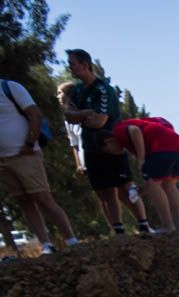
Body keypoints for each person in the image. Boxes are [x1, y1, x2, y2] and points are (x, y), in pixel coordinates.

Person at [0, 51, 77, 254]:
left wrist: (30, 143)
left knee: (43, 198)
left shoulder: (9, 87)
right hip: (2, 159)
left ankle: (71, 240)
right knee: (24, 202)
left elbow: (34, 114)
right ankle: (46, 244)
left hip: (25, 154)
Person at [61, 49, 150, 236]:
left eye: (72, 64)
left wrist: (80, 115)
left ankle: (144, 225)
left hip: (111, 145)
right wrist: (85, 113)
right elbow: (68, 116)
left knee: (125, 187)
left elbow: (99, 121)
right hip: (90, 147)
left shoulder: (103, 89)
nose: (69, 68)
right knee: (104, 191)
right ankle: (118, 230)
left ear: (84, 65)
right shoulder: (77, 90)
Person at [102, 117, 179, 233]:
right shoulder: (142, 123)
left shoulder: (117, 130)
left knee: (153, 184)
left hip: (162, 147)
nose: (115, 153)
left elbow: (134, 131)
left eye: (108, 151)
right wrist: (145, 188)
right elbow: (166, 123)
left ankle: (167, 225)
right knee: (169, 185)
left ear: (108, 142)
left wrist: (141, 159)